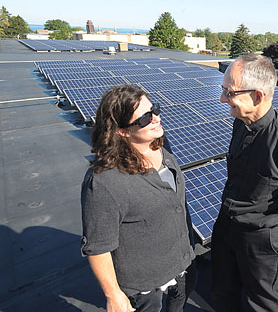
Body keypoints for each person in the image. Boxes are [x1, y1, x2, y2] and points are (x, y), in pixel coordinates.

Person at [211, 54, 278, 312]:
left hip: (261, 240)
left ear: (257, 97)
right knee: (222, 292)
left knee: (262, 304)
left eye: (229, 92)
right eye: (223, 90)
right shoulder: (241, 124)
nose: (222, 99)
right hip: (226, 226)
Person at [81, 85, 197, 312]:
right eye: (143, 119)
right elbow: (98, 247)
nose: (155, 118)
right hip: (144, 286)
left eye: (154, 109)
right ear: (122, 131)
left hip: (182, 264)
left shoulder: (163, 149)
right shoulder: (105, 182)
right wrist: (113, 295)